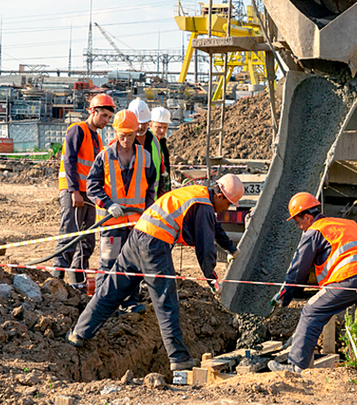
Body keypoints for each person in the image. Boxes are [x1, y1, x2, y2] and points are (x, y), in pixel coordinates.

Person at [66, 174, 243, 371]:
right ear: (220, 196)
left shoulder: (197, 195)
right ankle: (179, 358)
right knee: (165, 300)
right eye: (228, 204)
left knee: (112, 289)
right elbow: (205, 247)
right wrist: (212, 279)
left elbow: (213, 227)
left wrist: (232, 249)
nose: (227, 209)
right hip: (155, 244)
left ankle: (79, 333)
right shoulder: (204, 205)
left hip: (138, 235)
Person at [267, 192, 357, 373]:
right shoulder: (348, 224)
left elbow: (298, 269)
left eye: (298, 222)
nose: (299, 227)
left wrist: (285, 294)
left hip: (348, 279)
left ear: (307, 217)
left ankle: (296, 366)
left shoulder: (314, 231)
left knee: (311, 310)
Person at [86, 109, 156, 315]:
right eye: (122, 135)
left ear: (137, 133)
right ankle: (101, 303)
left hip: (136, 222)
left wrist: (148, 211)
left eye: (130, 136)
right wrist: (107, 204)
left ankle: (130, 301)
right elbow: (92, 186)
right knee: (109, 262)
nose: (126, 140)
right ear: (115, 132)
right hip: (112, 222)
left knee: (133, 263)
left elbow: (151, 187)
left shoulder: (145, 157)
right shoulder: (105, 156)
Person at [53, 94, 115, 285]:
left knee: (87, 239)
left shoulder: (96, 137)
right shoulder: (77, 130)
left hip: (89, 195)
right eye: (103, 116)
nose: (106, 121)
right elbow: (69, 161)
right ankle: (56, 279)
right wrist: (74, 191)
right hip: (74, 193)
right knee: (70, 234)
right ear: (92, 111)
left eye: (108, 118)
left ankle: (77, 281)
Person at [128, 99, 167, 196]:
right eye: (138, 122)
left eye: (144, 122)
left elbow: (160, 170)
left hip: (152, 199)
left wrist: (162, 193)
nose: (141, 126)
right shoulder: (123, 142)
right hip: (132, 201)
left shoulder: (155, 141)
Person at [150, 106, 172, 195]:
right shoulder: (148, 143)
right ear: (150, 125)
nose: (162, 130)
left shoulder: (162, 142)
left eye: (165, 127)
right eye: (158, 127)